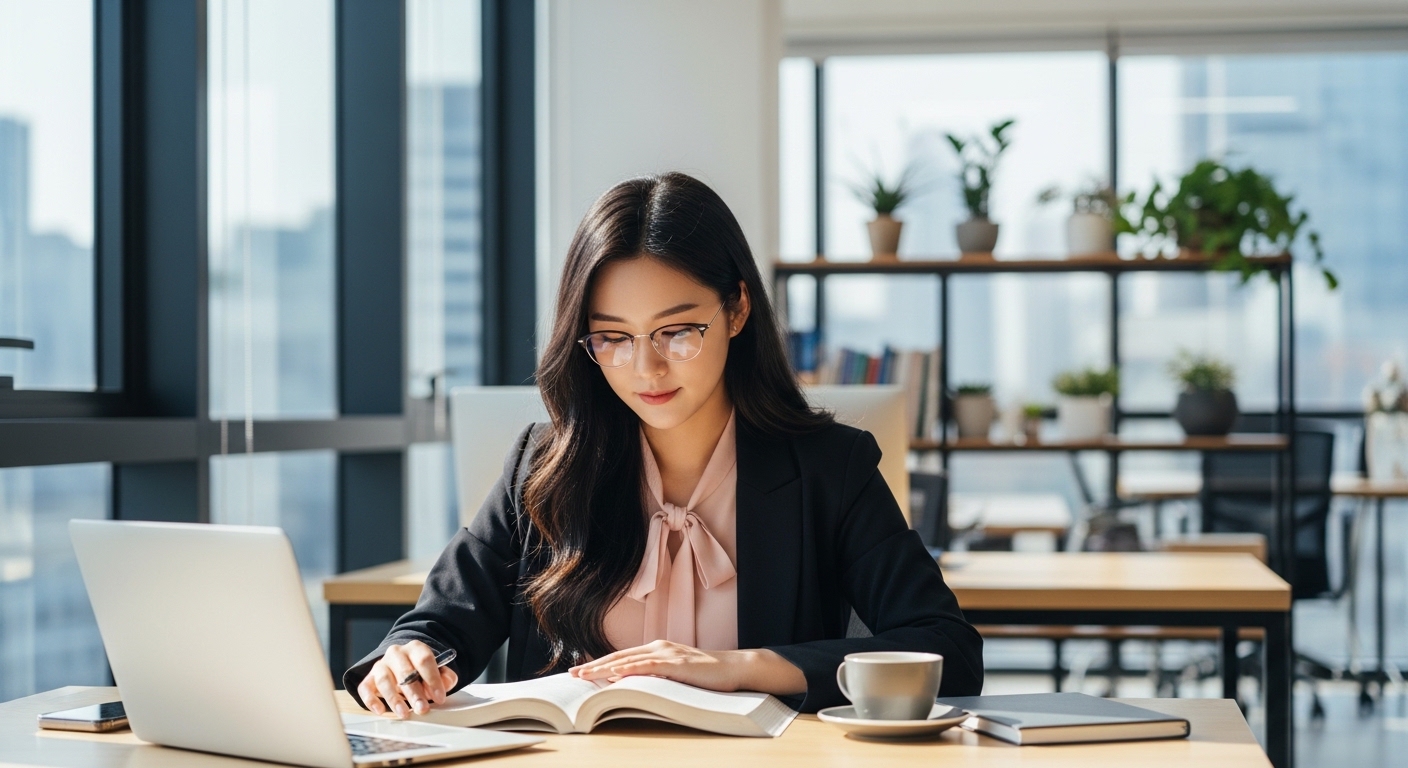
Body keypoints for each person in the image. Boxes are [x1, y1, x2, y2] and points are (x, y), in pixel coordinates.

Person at [345, 172, 983, 719]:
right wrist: (410, 659)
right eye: (614, 338)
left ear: (736, 310)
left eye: (677, 332)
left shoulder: (828, 469)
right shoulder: (542, 468)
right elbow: (441, 624)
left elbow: (946, 651)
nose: (646, 369)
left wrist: (741, 668)